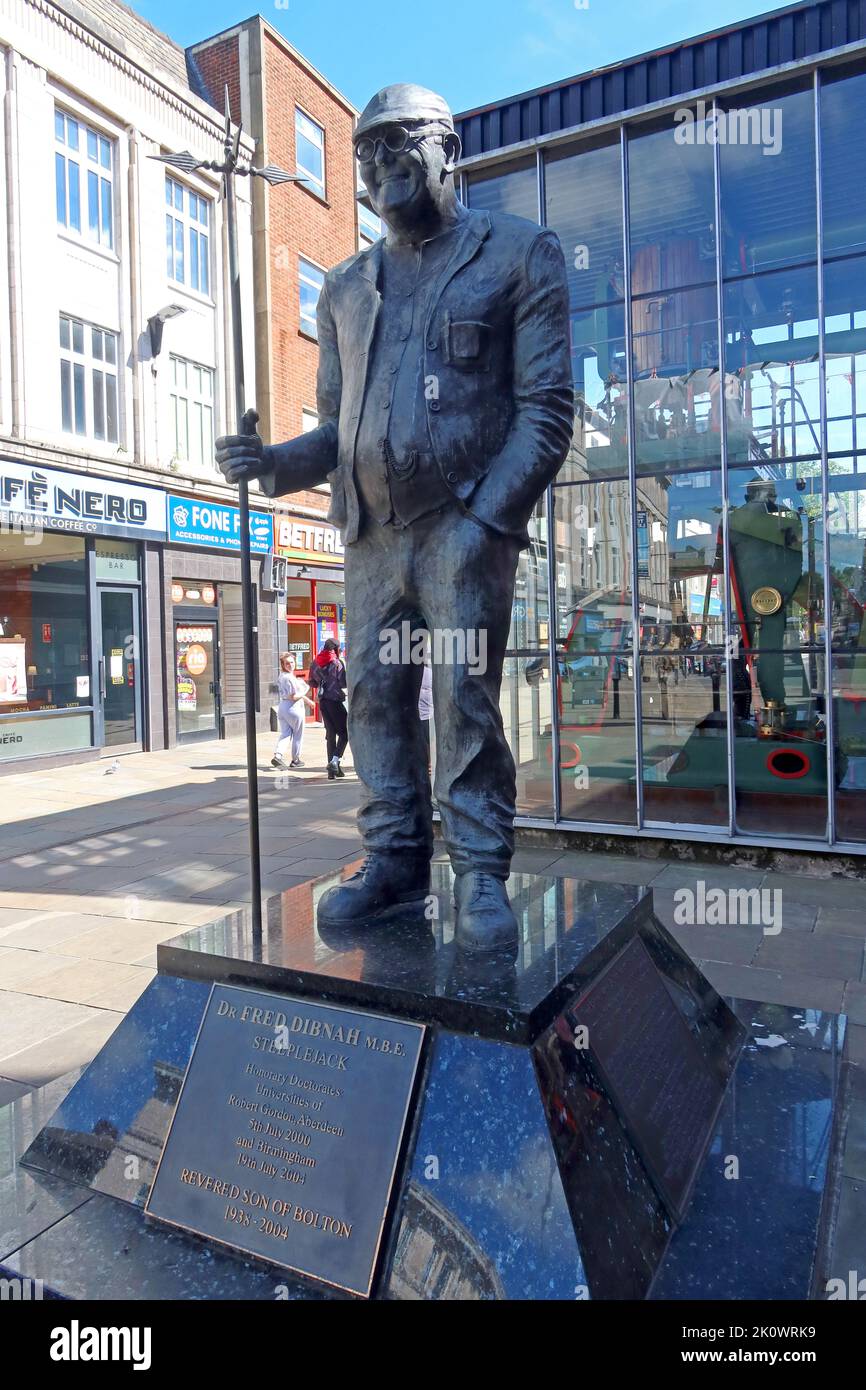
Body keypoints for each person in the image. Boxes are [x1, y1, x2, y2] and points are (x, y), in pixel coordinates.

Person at [216, 83, 572, 953]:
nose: (377, 165)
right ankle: (394, 862)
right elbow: (339, 430)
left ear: (446, 147)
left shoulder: (520, 255)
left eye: (397, 143)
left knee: (463, 697)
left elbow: (548, 408)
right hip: (371, 538)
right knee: (374, 698)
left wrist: (487, 523)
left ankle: (481, 871)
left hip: (462, 526)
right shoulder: (344, 287)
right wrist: (273, 465)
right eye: (364, 153)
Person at [308, 638, 348, 779]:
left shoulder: (315, 662)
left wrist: (321, 682)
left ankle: (332, 772)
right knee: (345, 733)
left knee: (331, 734)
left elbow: (311, 682)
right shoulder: (337, 663)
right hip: (335, 701)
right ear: (336, 649)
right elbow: (343, 683)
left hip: (323, 702)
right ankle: (335, 761)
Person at [272, 652, 315, 771]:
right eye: (287, 663)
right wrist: (306, 691)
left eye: (292, 662)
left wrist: (307, 701)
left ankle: (278, 755)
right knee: (298, 735)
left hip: (283, 707)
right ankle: (295, 760)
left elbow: (293, 695)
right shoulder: (290, 678)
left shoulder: (282, 676)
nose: (290, 665)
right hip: (293, 708)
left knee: (285, 733)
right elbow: (294, 696)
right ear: (283, 665)